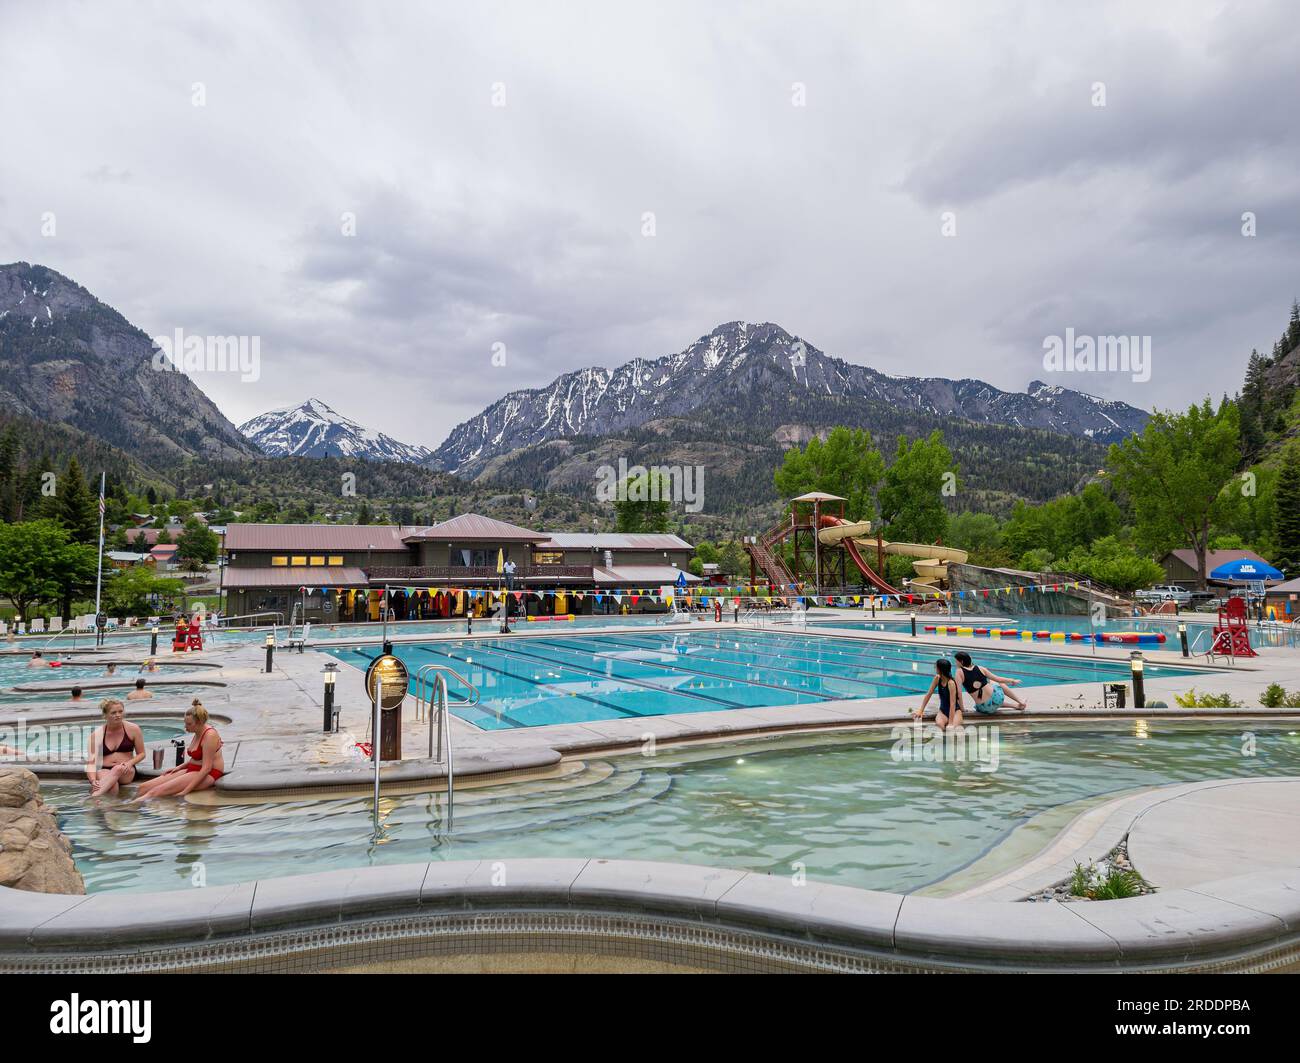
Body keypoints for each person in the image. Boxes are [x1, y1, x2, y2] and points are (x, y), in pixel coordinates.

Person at [135, 700, 224, 799]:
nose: (185, 727)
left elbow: (206, 768)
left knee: (155, 792)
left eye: (189, 724)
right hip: (192, 769)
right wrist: (179, 767)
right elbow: (197, 758)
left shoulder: (210, 735)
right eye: (185, 723)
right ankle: (130, 807)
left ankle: (128, 809)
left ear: (199, 722)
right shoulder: (198, 731)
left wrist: (185, 790)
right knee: (143, 787)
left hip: (209, 773)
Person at [86, 698, 145, 797]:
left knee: (117, 769)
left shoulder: (133, 729)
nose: (118, 715)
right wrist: (93, 780)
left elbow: (142, 754)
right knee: (113, 786)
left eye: (120, 711)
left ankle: (94, 796)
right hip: (104, 769)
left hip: (126, 770)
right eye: (113, 713)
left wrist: (130, 763)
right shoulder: (96, 735)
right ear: (105, 715)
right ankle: (110, 810)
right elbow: (91, 763)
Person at [953, 650, 1028, 712]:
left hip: (984, 708)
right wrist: (1012, 680)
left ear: (961, 662)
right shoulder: (980, 668)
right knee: (996, 683)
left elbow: (958, 693)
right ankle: (1020, 702)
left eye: (956, 661)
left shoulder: (959, 672)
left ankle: (1016, 706)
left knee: (987, 700)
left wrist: (962, 709)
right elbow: (998, 678)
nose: (955, 663)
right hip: (998, 699)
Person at [913, 659, 964, 730]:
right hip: (942, 711)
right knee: (940, 726)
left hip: (955, 712)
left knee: (952, 730)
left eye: (936, 667)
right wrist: (921, 710)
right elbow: (929, 694)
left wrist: (951, 723)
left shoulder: (951, 683)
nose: (935, 668)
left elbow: (952, 704)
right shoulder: (937, 678)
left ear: (940, 669)